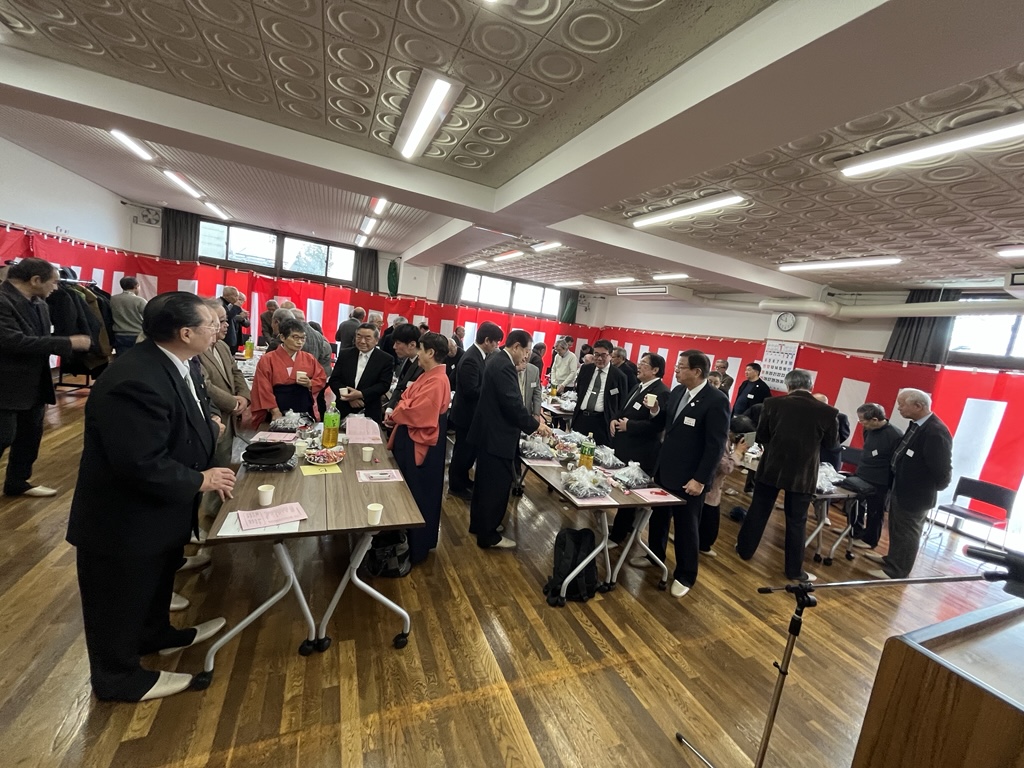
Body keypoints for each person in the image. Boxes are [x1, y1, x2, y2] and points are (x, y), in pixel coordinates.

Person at [67, 292, 235, 702]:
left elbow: (187, 419)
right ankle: (118, 678)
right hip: (124, 517)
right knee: (120, 598)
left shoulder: (179, 363)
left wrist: (209, 428)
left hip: (160, 510)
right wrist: (200, 479)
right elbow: (139, 462)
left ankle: (156, 634)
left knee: (154, 582)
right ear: (185, 333)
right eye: (211, 324)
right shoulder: (135, 379)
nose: (219, 329)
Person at [627, 350, 730, 598]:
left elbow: (715, 446)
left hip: (690, 478)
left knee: (686, 528)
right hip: (665, 469)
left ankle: (685, 575)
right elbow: (664, 422)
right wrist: (655, 410)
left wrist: (700, 479)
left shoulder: (715, 400)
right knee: (659, 519)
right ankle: (655, 556)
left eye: (681, 367)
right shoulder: (677, 392)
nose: (676, 370)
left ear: (697, 371)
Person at [0, 257, 92, 497]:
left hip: (34, 382)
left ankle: (18, 482)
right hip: (5, 383)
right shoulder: (2, 300)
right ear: (35, 280)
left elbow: (39, 339)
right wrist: (67, 342)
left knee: (30, 436)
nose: (57, 288)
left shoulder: (39, 303)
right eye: (54, 282)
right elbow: (12, 341)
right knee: (3, 436)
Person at [735, 369, 838, 582]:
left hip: (772, 466)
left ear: (788, 385)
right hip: (803, 472)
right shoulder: (828, 412)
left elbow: (761, 436)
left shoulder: (772, 404)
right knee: (797, 521)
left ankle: (744, 550)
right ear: (810, 386)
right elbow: (831, 445)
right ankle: (794, 571)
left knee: (758, 510)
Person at [468, 330, 551, 549]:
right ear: (515, 346)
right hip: (497, 436)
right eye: (526, 351)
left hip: (489, 433)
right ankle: (488, 536)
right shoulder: (504, 365)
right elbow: (512, 404)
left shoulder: (496, 359)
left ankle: (480, 525)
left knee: (484, 485)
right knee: (495, 487)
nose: (527, 356)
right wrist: (536, 425)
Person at [865, 389, 952, 580]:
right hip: (902, 486)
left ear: (918, 406)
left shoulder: (935, 431)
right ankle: (892, 559)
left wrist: (931, 487)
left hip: (917, 493)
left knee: (908, 531)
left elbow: (942, 469)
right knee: (897, 527)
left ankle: (897, 571)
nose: (899, 408)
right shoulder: (916, 425)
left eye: (902, 404)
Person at [385, 333, 452, 565]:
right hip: (410, 435)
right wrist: (403, 407)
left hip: (419, 440)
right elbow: (405, 398)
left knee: (419, 493)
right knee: (409, 490)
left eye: (421, 349)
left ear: (431, 353)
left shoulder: (439, 380)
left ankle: (416, 546)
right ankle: (404, 538)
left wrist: (399, 410)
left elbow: (417, 412)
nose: (418, 353)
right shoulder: (428, 375)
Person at [607, 353, 669, 546]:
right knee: (621, 488)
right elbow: (624, 408)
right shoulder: (638, 386)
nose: (639, 366)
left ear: (655, 370)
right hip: (625, 447)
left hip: (641, 452)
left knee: (629, 494)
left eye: (644, 364)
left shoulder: (661, 392)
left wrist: (630, 426)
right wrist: (614, 419)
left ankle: (618, 536)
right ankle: (622, 527)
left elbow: (657, 425)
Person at [448, 322, 504, 498]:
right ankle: (456, 486)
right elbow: (471, 390)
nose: (496, 346)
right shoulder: (472, 358)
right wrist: (492, 388)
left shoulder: (478, 355)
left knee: (468, 453)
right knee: (463, 453)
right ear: (487, 340)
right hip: (466, 415)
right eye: (495, 342)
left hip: (471, 415)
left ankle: (464, 480)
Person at [199, 299, 250, 468]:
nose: (226, 325)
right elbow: (205, 385)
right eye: (221, 321)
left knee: (224, 464)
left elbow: (236, 372)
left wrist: (244, 397)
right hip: (213, 418)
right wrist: (232, 403)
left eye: (226, 320)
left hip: (229, 420)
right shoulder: (197, 351)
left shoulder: (222, 346)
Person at [249, 318, 327, 427]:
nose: (300, 342)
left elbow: (321, 378)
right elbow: (263, 387)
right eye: (295, 337)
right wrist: (274, 410)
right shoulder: (268, 359)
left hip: (303, 405)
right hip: (278, 405)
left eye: (303, 338)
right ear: (282, 337)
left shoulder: (309, 358)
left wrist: (310, 383)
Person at [850, 403, 903, 551]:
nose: (861, 423)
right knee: (856, 505)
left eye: (863, 420)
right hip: (863, 473)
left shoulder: (895, 435)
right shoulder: (868, 429)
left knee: (875, 511)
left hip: (880, 479)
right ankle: (854, 531)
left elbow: (895, 461)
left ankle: (870, 540)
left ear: (874, 419)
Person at [699, 416, 755, 556]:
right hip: (708, 488)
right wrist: (738, 453)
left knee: (704, 520)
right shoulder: (723, 442)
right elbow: (725, 468)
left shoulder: (723, 437)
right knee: (709, 525)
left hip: (710, 488)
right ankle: (701, 545)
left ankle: (699, 543)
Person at [327, 322, 394, 423]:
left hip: (369, 409)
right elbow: (334, 380)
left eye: (367, 338)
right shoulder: (345, 354)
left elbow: (384, 385)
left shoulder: (385, 359)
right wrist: (350, 397)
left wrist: (361, 394)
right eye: (359, 337)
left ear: (376, 340)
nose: (362, 341)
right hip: (343, 407)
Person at [572, 339, 627, 446]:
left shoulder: (619, 376)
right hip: (581, 418)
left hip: (602, 422)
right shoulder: (586, 369)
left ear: (610, 355)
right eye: (596, 354)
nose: (599, 358)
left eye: (603, 355)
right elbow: (579, 389)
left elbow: (622, 402)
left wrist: (614, 418)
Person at [510, 353, 543, 496]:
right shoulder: (509, 368)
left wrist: (536, 413)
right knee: (512, 446)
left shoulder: (534, 370)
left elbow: (537, 393)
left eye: (528, 352)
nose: (526, 355)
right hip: (511, 414)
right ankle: (512, 475)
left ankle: (517, 474)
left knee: (521, 446)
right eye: (524, 352)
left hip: (526, 415)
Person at [384, 322, 423, 415]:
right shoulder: (405, 359)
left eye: (398, 343)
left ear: (412, 345)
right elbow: (399, 386)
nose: (394, 347)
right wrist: (390, 408)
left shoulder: (423, 366)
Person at [110, 276, 147, 356]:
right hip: (137, 336)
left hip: (119, 336)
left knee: (122, 359)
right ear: (136, 286)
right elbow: (149, 317)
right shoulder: (140, 301)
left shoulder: (112, 299)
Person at [814, 393, 851, 469]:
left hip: (829, 454)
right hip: (812, 453)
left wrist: (829, 442)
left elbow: (843, 435)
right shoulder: (810, 416)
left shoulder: (839, 417)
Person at [219, 286, 247, 351]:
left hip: (231, 337)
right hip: (223, 338)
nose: (237, 299)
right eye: (236, 296)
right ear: (228, 296)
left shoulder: (228, 304)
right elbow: (227, 317)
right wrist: (236, 307)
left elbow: (247, 324)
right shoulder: (220, 303)